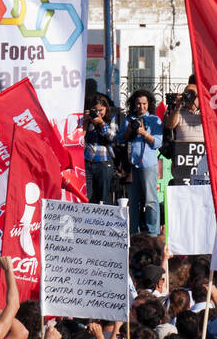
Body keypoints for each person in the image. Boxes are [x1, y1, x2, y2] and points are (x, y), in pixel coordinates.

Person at [122, 89, 164, 235]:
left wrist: (144, 133)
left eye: (144, 104)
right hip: (133, 165)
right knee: (134, 202)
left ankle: (153, 233)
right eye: (138, 104)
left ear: (149, 104)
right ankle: (133, 233)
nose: (141, 107)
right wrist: (130, 130)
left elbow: (158, 143)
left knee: (151, 201)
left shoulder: (154, 120)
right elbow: (121, 138)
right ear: (134, 104)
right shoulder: (129, 120)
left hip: (148, 165)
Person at [82, 93, 118, 204]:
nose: (98, 113)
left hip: (104, 163)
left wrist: (102, 123)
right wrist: (85, 121)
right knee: (86, 197)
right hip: (87, 163)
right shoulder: (88, 121)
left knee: (103, 197)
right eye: (95, 110)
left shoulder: (112, 119)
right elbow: (79, 138)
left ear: (106, 109)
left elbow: (112, 137)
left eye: (100, 110)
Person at [162, 79, 205, 145]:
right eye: (186, 93)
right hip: (182, 151)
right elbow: (170, 125)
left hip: (201, 151)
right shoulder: (178, 111)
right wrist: (177, 107)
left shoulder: (205, 112)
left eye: (192, 94)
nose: (189, 97)